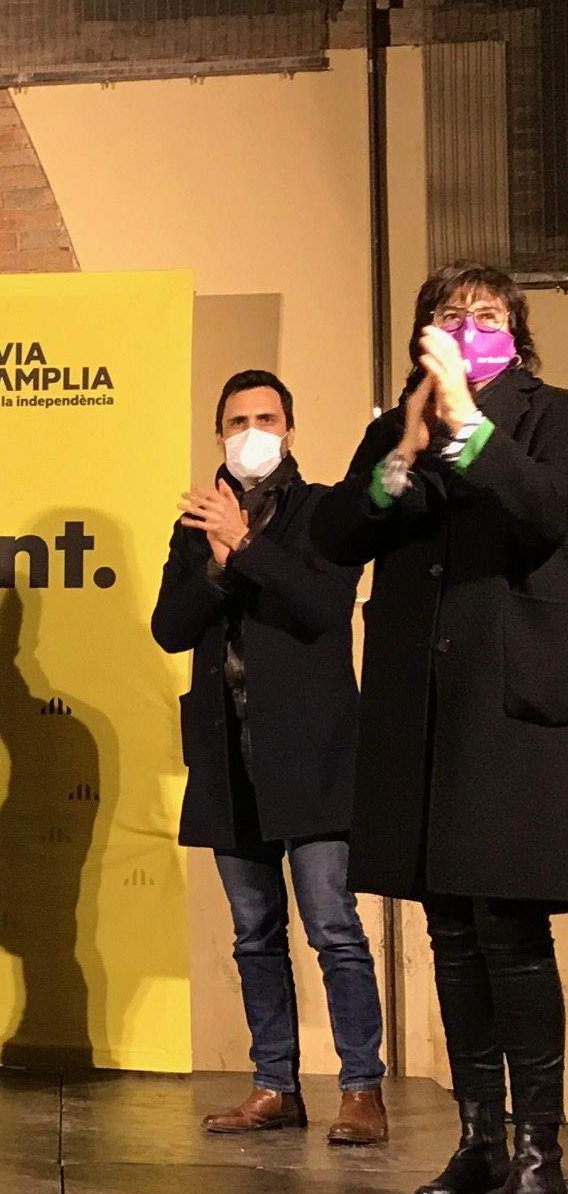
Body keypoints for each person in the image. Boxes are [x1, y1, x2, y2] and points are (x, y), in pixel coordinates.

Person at [312, 262, 568, 1194]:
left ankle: (543, 1155)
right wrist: (400, 455)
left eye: (486, 314)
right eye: (449, 315)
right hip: (421, 710)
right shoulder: (401, 424)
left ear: (517, 330)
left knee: (508, 929)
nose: (467, 325)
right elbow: (337, 536)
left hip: (509, 708)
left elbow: (543, 512)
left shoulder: (549, 418)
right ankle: (480, 1143)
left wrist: (466, 424)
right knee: (450, 935)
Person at [152, 370, 386, 1143]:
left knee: (332, 925)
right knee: (254, 931)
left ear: (290, 427)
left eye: (266, 417)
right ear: (218, 434)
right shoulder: (197, 521)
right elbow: (169, 626)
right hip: (229, 753)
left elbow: (323, 605)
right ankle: (274, 1083)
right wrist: (217, 562)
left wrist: (246, 546)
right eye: (237, 420)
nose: (251, 430)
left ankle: (361, 1088)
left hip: (310, 752)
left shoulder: (322, 511)